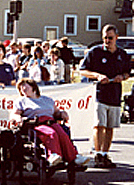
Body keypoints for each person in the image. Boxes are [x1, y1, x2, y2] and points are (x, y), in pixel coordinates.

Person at [80, 24, 130, 168]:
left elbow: (128, 72)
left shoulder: (122, 54)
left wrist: (123, 76)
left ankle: (105, 154)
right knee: (99, 125)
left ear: (116, 38)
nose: (107, 41)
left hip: (114, 94)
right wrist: (97, 75)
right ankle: (97, 153)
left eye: (110, 38)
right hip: (99, 94)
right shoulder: (95, 52)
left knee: (110, 126)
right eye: (105, 38)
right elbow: (82, 70)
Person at [11, 78, 90, 167]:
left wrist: (62, 113)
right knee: (51, 133)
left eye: (25, 86)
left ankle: (74, 157)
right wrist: (18, 118)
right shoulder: (21, 101)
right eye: (21, 88)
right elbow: (14, 114)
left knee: (63, 134)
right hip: (35, 123)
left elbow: (56, 112)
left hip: (51, 121)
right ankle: (53, 155)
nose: (23, 89)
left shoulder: (47, 100)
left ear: (33, 87)